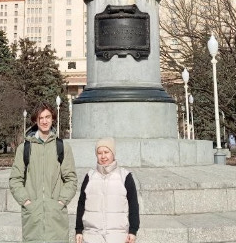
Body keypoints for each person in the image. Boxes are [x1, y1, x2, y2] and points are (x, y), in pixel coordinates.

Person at [9, 102, 78, 243]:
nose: (44, 121)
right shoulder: (24, 148)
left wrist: (60, 202)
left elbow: (71, 179)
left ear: (53, 118)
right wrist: (27, 202)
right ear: (36, 120)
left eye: (48, 117)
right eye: (41, 118)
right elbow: (15, 179)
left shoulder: (62, 147)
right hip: (33, 216)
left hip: (56, 216)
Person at [75, 138, 139, 243]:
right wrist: (78, 230)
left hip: (118, 237)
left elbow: (133, 205)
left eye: (106, 152)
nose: (103, 156)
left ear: (113, 153)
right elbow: (81, 204)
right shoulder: (90, 176)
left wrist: (133, 230)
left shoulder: (125, 176)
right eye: (99, 153)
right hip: (92, 236)